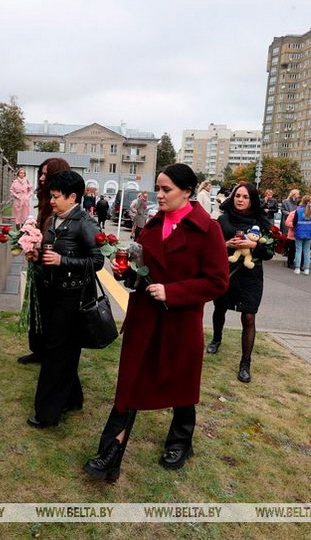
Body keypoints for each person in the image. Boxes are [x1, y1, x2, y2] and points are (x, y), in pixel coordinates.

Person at [83, 164, 229, 481]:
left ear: (187, 192)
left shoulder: (209, 230)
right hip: (144, 317)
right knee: (130, 383)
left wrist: (173, 292)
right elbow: (143, 270)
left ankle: (181, 441)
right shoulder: (152, 223)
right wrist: (127, 274)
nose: (159, 195)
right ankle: (111, 453)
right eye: (159, 189)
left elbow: (218, 282)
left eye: (167, 190)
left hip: (180, 321)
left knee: (181, 384)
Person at [25, 170, 104, 428]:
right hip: (52, 293)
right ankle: (72, 398)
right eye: (50, 196)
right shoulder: (53, 220)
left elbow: (98, 262)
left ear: (73, 197)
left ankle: (47, 413)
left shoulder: (86, 223)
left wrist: (63, 261)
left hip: (73, 297)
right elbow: (49, 250)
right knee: (62, 350)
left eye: (56, 197)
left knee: (56, 353)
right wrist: (36, 254)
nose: (51, 201)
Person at [206, 182, 275, 384]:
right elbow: (211, 247)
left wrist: (253, 245)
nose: (240, 200)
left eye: (245, 197)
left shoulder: (261, 222)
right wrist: (226, 244)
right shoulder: (223, 220)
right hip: (227, 272)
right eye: (238, 196)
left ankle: (245, 363)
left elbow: (270, 253)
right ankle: (216, 339)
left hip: (251, 276)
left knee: (249, 317)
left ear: (252, 200)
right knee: (220, 308)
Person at [17, 157, 72, 365]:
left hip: (52, 269)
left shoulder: (62, 206)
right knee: (36, 307)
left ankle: (47, 351)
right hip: (39, 263)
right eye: (41, 173)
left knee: (47, 310)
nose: (40, 178)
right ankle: (38, 349)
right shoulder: (43, 200)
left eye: (45, 174)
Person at [292, 195, 311, 276]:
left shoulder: (298, 211)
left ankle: (297, 268)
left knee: (298, 250)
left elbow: (294, 222)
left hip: (299, 232)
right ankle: (306, 269)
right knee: (307, 251)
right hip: (309, 232)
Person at [279, 189, 301, 268]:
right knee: (286, 236)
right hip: (287, 219)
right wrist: (289, 214)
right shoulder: (286, 201)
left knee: (291, 239)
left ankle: (288, 252)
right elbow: (282, 210)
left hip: (295, 220)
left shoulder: (297, 202)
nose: (298, 195)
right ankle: (285, 250)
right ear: (293, 194)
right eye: (297, 194)